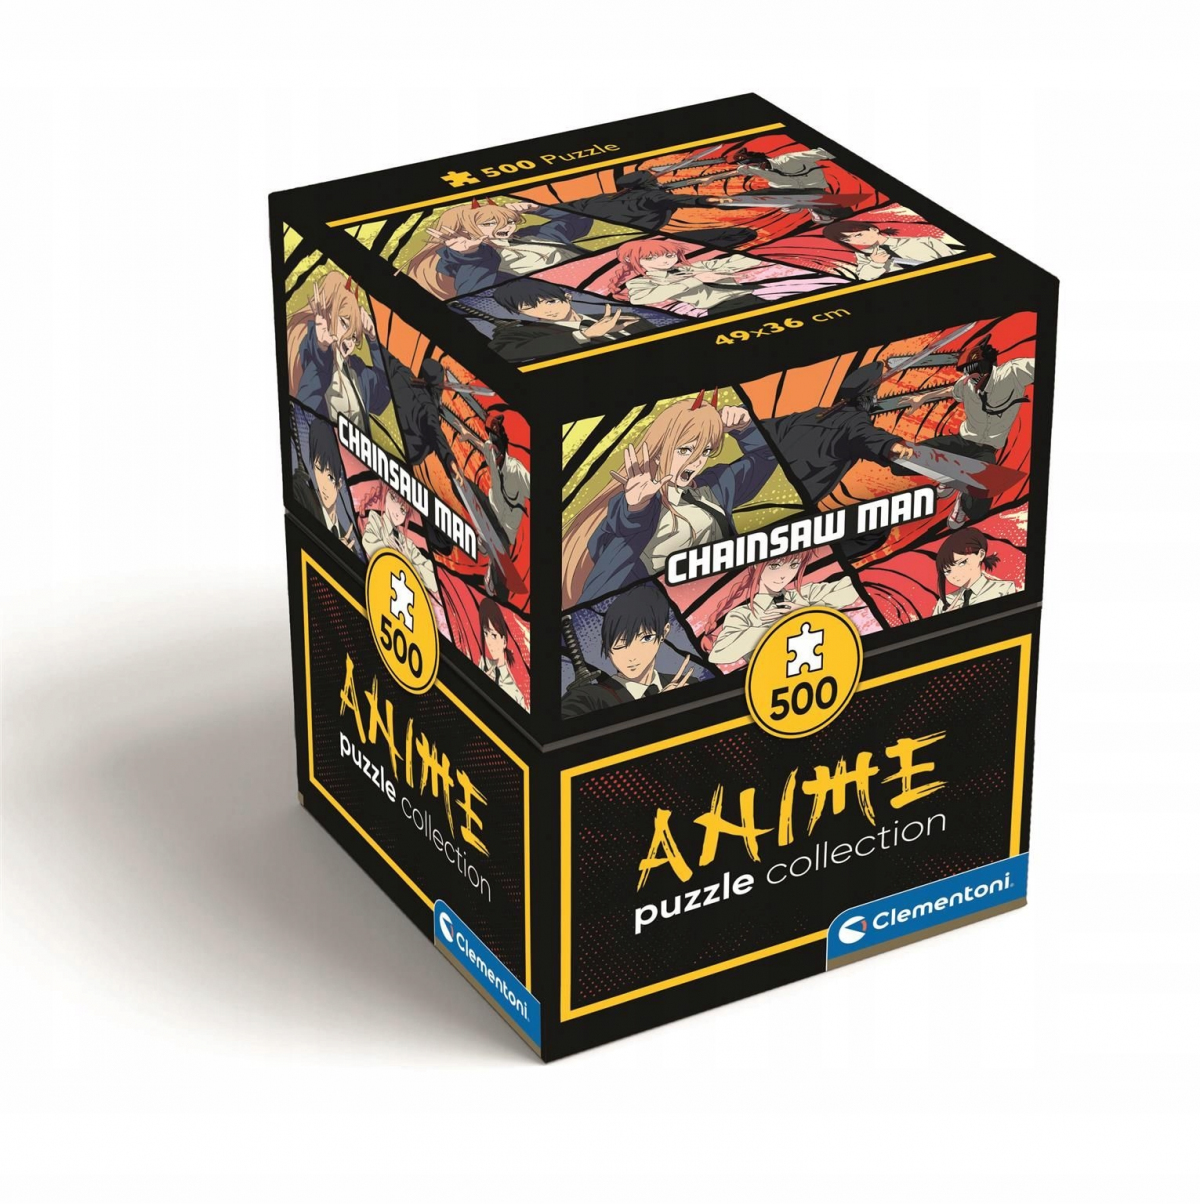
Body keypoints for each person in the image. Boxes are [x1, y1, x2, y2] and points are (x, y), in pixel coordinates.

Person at [562, 392, 778, 608]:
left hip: (725, 599)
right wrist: (635, 506)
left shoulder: (714, 487)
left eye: (705, 450)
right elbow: (619, 528)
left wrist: (746, 427)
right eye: (685, 450)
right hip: (655, 613)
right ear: (659, 451)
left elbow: (765, 457)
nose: (696, 461)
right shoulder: (640, 501)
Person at [891, 338, 1036, 527]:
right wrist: (923, 397)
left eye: (972, 371)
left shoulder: (1012, 373)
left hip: (985, 452)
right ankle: (951, 475)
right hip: (962, 442)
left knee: (976, 511)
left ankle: (961, 494)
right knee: (901, 462)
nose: (969, 377)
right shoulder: (966, 384)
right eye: (966, 372)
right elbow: (952, 390)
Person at [761, 362, 914, 506]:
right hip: (788, 499)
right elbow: (865, 436)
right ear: (869, 397)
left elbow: (769, 428)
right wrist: (892, 446)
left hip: (763, 484)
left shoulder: (814, 413)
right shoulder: (854, 422)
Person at [406, 199, 593, 299]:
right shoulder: (468, 261)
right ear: (462, 230)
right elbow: (476, 294)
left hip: (601, 273)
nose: (506, 227)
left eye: (509, 221)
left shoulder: (532, 235)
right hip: (573, 295)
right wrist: (471, 254)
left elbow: (580, 221)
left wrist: (537, 209)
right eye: (488, 223)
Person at [610, 237, 841, 317]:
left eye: (669, 255)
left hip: (749, 297)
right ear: (633, 260)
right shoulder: (640, 282)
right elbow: (640, 298)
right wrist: (697, 280)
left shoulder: (692, 267)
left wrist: (756, 253)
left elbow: (731, 262)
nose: (665, 261)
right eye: (653, 258)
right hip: (720, 308)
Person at [561, 584, 694, 717]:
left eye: (646, 638)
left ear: (664, 632)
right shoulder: (585, 699)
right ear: (606, 645)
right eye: (620, 645)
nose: (632, 656)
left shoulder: (688, 684)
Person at [706, 554, 863, 667]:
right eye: (774, 566)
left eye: (793, 566)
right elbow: (719, 654)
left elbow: (854, 586)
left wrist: (807, 611)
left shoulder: (803, 595)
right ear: (756, 566)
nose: (783, 575)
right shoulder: (742, 615)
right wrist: (777, 624)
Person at [286, 272, 389, 429]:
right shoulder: (312, 349)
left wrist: (374, 341)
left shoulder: (358, 370)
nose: (350, 342)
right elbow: (304, 409)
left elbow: (383, 397)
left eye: (354, 337)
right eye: (344, 324)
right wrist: (322, 349)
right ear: (328, 315)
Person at [486, 280, 659, 363]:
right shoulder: (523, 333)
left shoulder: (625, 319)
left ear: (567, 297)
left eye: (550, 301)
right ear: (521, 312)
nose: (546, 310)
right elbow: (500, 352)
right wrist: (585, 335)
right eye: (530, 308)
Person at [822, 216, 962, 281]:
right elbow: (864, 278)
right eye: (848, 240)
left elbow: (958, 262)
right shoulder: (865, 255)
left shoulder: (925, 241)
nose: (857, 240)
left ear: (873, 229)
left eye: (859, 234)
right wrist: (876, 264)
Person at [358, 483, 438, 594]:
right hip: (377, 585)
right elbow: (369, 542)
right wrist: (398, 557)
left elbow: (433, 581)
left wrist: (407, 560)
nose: (397, 511)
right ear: (386, 495)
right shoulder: (375, 520)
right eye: (394, 498)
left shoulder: (408, 545)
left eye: (403, 510)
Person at [296, 418, 358, 552]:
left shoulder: (348, 545)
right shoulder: (302, 498)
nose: (323, 485)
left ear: (339, 484)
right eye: (319, 469)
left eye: (330, 477)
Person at [932, 528, 1016, 615]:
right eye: (948, 571)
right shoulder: (945, 602)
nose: (954, 574)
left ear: (981, 555)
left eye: (962, 563)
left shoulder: (1004, 589)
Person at [477, 598, 527, 709]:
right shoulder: (482, 664)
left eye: (494, 636)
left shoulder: (516, 692)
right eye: (486, 634)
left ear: (504, 641)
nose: (489, 642)